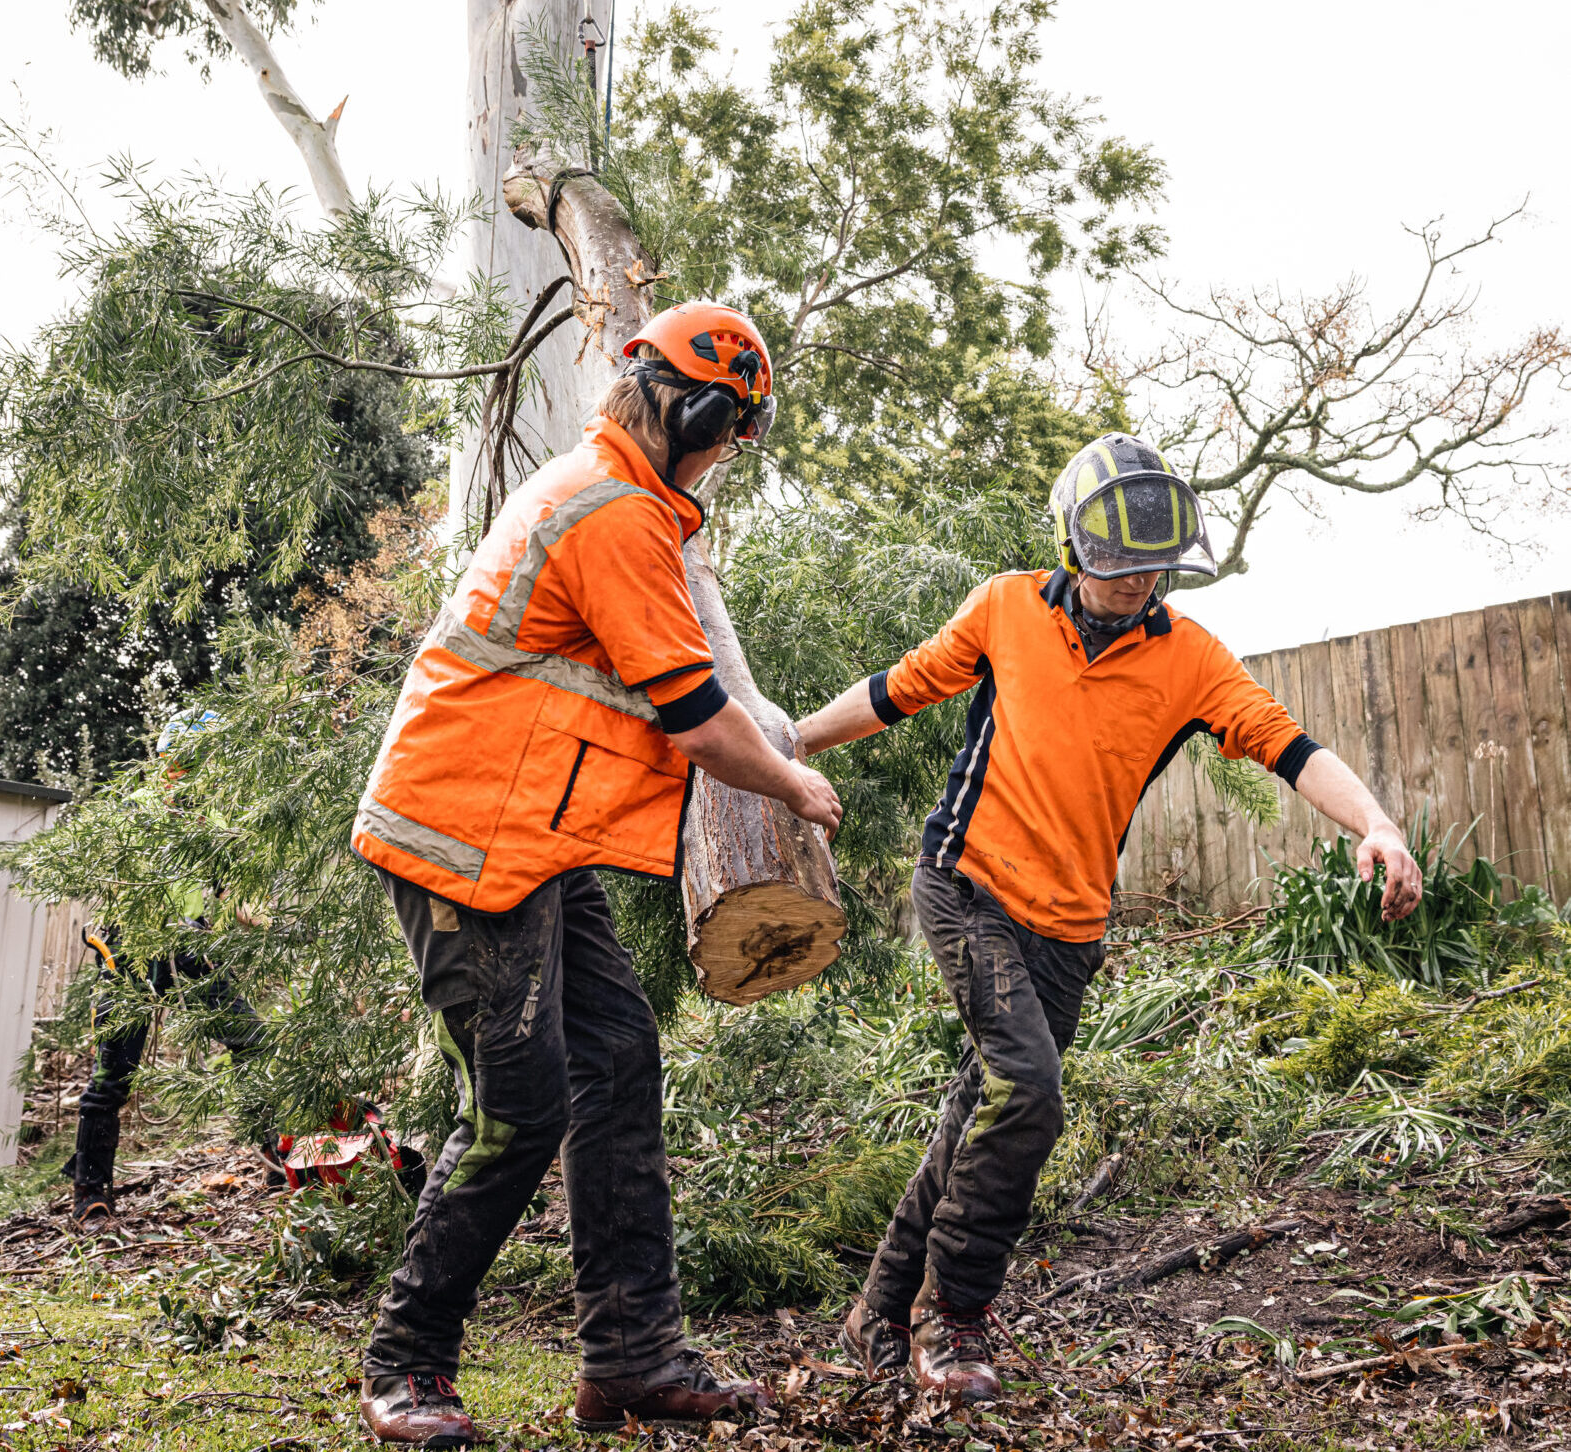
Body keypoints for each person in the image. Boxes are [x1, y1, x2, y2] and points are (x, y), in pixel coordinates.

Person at [796, 432, 1424, 1401]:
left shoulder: (1189, 661)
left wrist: (1375, 821)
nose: (1132, 587)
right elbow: (897, 690)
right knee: (1030, 1092)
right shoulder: (1003, 608)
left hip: (1069, 930)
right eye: (1115, 568)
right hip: (964, 885)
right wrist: (786, 747)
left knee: (981, 1104)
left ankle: (878, 1306)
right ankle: (950, 1315)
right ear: (1074, 550)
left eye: (1149, 571)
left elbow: (1289, 748)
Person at [349, 300, 843, 1446]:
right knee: (520, 1105)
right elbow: (693, 719)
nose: (730, 453)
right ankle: (405, 1361)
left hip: (531, 838)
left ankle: (629, 1356)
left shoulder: (629, 500)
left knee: (616, 1062)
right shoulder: (613, 512)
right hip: (462, 837)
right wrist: (791, 784)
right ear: (701, 411)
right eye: (733, 432)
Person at [66, 709, 270, 1223]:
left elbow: (231, 897)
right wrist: (158, 921)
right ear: (165, 763)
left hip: (191, 950)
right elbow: (115, 886)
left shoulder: (216, 820)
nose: (190, 773)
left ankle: (274, 1152)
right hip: (131, 953)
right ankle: (90, 1194)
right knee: (113, 1075)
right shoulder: (137, 811)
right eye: (181, 763)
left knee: (253, 1041)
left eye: (201, 763)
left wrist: (269, 926)